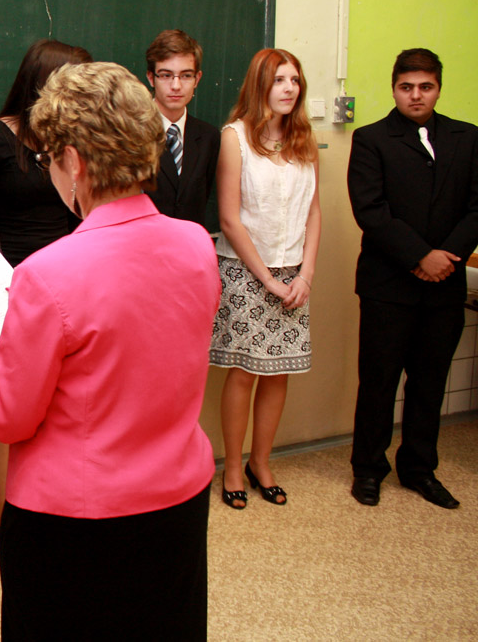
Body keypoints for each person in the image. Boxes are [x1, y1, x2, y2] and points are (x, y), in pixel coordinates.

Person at [0, 62, 219, 640]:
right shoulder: (196, 244)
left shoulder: (48, 273)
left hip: (75, 519)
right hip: (177, 503)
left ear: (73, 161)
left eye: (49, 158)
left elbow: (9, 416)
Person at [348, 48, 478, 509]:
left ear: (439, 88)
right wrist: (421, 255)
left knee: (429, 382)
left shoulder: (468, 138)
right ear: (394, 89)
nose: (416, 95)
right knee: (379, 382)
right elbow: (370, 210)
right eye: (407, 87)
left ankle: (420, 469)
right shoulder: (371, 139)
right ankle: (368, 469)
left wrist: (447, 258)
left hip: (445, 286)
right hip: (388, 287)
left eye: (425, 87)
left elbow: (476, 208)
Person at [0, 37, 89, 551]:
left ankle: (49, 512)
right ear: (42, 84)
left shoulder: (75, 144)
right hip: (10, 289)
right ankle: (4, 522)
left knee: (59, 409)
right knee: (8, 414)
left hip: (70, 287)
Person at [210, 48, 321, 509]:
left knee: (278, 374)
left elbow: (314, 212)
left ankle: (262, 462)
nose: (289, 88)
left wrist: (305, 275)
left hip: (294, 275)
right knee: (244, 373)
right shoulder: (234, 137)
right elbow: (230, 219)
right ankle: (234, 467)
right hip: (245, 272)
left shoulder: (304, 140)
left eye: (294, 80)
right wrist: (268, 281)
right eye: (279, 80)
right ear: (260, 85)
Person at [143, 29, 220, 230]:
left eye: (186, 75)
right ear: (151, 78)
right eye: (166, 75)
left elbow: (203, 199)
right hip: (143, 244)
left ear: (197, 79)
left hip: (190, 244)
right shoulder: (132, 132)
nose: (176, 86)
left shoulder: (208, 137)